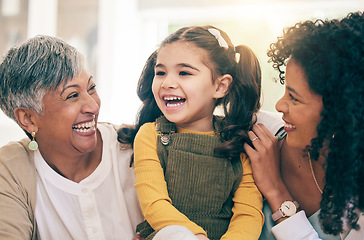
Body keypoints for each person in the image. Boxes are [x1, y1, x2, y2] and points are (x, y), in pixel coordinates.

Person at [245, 9, 364, 240]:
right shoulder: (262, 134)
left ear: (343, 114)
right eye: (285, 90)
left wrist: (277, 191)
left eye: (294, 98)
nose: (279, 105)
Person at [117, 25, 264, 240]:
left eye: (184, 73)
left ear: (220, 86)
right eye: (160, 73)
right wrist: (194, 237)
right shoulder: (151, 135)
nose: (167, 83)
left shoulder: (237, 140)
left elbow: (248, 213)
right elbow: (154, 204)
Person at [0, 35, 145, 239]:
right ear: (28, 118)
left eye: (91, 89)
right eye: (72, 95)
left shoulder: (136, 147)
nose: (93, 107)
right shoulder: (11, 170)